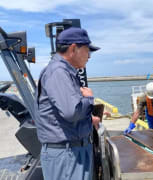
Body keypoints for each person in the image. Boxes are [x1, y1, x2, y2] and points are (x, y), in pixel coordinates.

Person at [35, 27, 100, 180]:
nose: (89, 56)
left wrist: (89, 120)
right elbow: (71, 112)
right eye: (87, 50)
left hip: (71, 151)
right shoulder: (58, 72)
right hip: (67, 155)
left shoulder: (64, 71)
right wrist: (89, 99)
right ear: (73, 49)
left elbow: (60, 113)